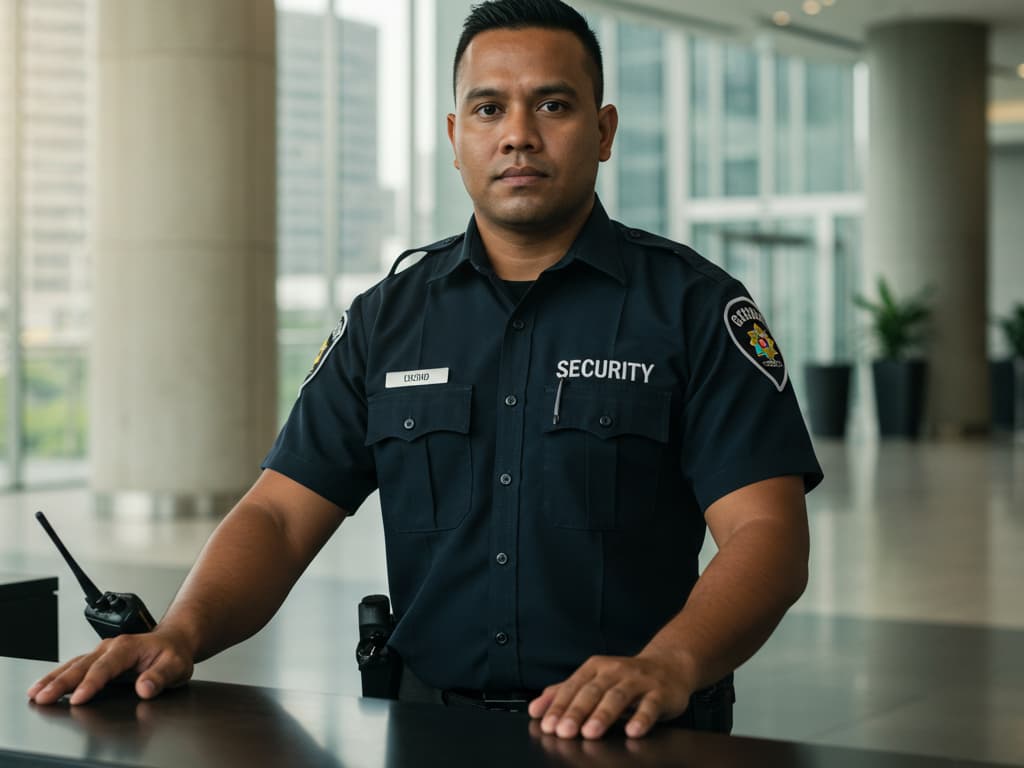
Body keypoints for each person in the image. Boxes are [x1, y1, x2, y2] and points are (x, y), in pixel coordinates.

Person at [29, 0, 822, 741]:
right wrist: (179, 631)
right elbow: (277, 514)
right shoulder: (387, 320)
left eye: (553, 104)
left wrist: (669, 663)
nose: (518, 135)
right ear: (454, 136)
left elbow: (766, 535)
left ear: (605, 130)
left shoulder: (692, 307)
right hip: (430, 731)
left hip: (638, 735)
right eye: (489, 109)